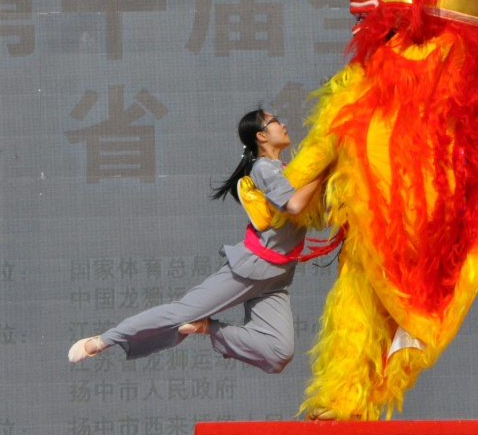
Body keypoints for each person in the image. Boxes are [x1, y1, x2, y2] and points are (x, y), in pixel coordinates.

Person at [68, 109, 323, 374]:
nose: (283, 124)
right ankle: (103, 340)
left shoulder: (285, 170)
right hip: (253, 267)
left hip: (279, 275)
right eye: (276, 121)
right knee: (181, 313)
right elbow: (294, 205)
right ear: (261, 136)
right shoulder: (264, 168)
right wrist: (323, 167)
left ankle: (208, 328)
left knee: (279, 352)